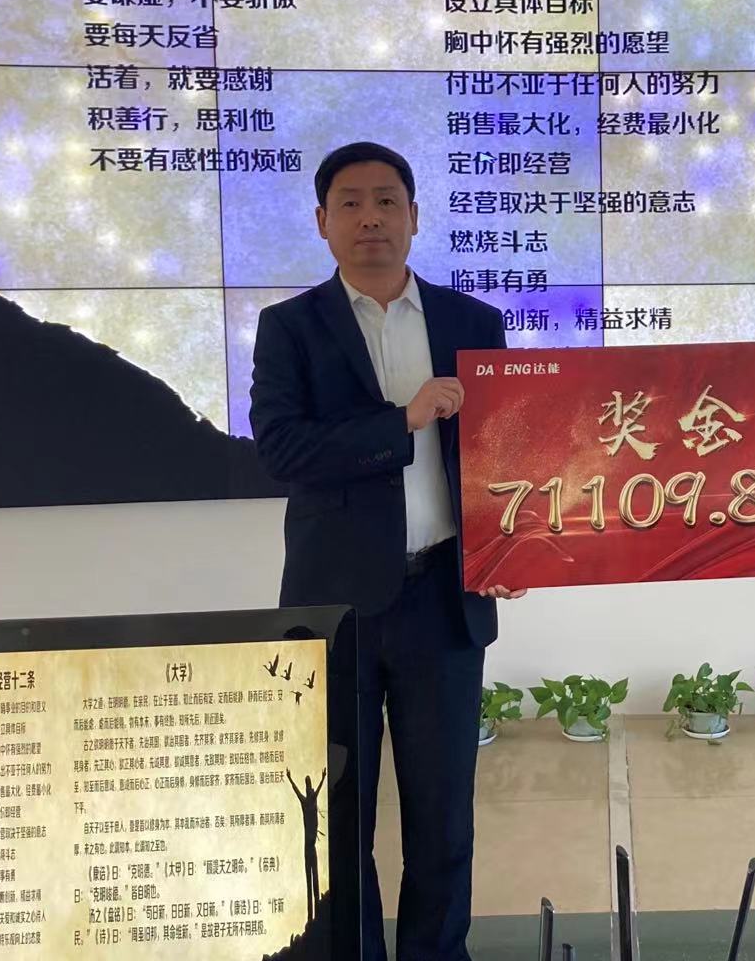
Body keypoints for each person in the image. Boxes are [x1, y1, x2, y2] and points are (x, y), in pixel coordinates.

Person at [251, 142, 526, 961]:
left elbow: (507, 456)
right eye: (350, 202)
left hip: (444, 596)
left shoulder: (473, 323)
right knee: (340, 812)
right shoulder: (290, 328)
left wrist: (515, 548)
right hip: (337, 605)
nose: (370, 217)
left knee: (443, 815)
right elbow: (282, 450)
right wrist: (400, 421)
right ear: (322, 222)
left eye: (386, 201)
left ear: (414, 216)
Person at [288, 766, 328, 923]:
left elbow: (300, 791)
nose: (310, 789)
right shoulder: (308, 801)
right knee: (312, 880)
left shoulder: (307, 802)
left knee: (313, 880)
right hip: (309, 848)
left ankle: (314, 915)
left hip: (309, 847)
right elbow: (299, 790)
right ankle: (312, 916)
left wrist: (323, 778)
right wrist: (323, 777)